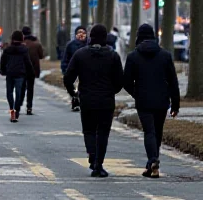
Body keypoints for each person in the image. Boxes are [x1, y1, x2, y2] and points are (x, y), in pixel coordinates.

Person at [63, 23, 124, 177]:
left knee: (89, 130)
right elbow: (119, 80)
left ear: (91, 37)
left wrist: (74, 94)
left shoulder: (80, 54)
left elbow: (68, 78)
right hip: (106, 100)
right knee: (103, 133)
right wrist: (112, 91)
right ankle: (99, 164)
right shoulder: (113, 56)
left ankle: (92, 155)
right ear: (105, 38)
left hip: (87, 99)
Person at [123, 23, 180, 178]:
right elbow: (173, 81)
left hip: (144, 101)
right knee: (158, 132)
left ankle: (152, 161)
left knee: (149, 131)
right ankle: (152, 163)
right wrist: (175, 104)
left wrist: (137, 94)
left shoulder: (133, 56)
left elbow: (126, 81)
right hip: (162, 100)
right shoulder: (165, 55)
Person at [0, 30, 34, 122]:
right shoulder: (24, 50)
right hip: (20, 73)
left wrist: (3, 70)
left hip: (10, 73)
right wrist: (31, 72)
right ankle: (16, 109)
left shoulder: (7, 50)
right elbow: (27, 62)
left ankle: (12, 109)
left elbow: (3, 61)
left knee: (9, 92)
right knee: (19, 93)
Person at [61, 25, 88, 110]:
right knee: (70, 85)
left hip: (86, 70)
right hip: (73, 69)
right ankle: (75, 97)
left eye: (83, 33)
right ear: (75, 35)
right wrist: (64, 68)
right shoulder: (70, 45)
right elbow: (65, 58)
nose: (81, 35)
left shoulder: (89, 44)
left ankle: (78, 102)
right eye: (79, 32)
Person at [21, 26, 44, 115]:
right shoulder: (36, 44)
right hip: (33, 69)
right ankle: (29, 107)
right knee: (30, 88)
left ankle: (19, 104)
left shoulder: (20, 44)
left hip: (22, 69)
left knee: (22, 87)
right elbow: (41, 56)